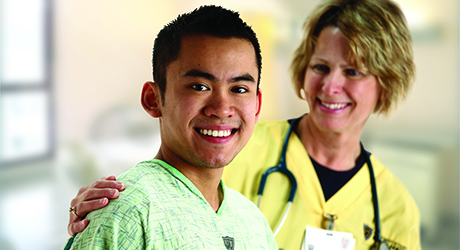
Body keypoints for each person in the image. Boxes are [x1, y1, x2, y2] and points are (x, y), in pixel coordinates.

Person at [67, 0, 421, 249]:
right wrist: (106, 218)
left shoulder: (396, 207)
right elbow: (160, 194)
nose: (330, 86)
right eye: (320, 67)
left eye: (354, 71)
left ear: (386, 83)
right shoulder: (232, 145)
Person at [64, 5, 278, 249]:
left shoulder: (253, 222)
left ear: (257, 105)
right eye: (199, 86)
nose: (221, 108)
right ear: (153, 100)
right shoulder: (125, 213)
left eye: (239, 89)